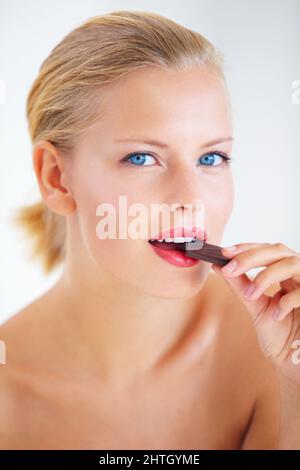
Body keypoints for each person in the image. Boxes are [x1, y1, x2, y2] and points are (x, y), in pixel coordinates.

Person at [0, 10, 299, 450]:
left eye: (211, 157)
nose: (192, 197)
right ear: (57, 179)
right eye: (142, 158)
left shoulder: (274, 353)